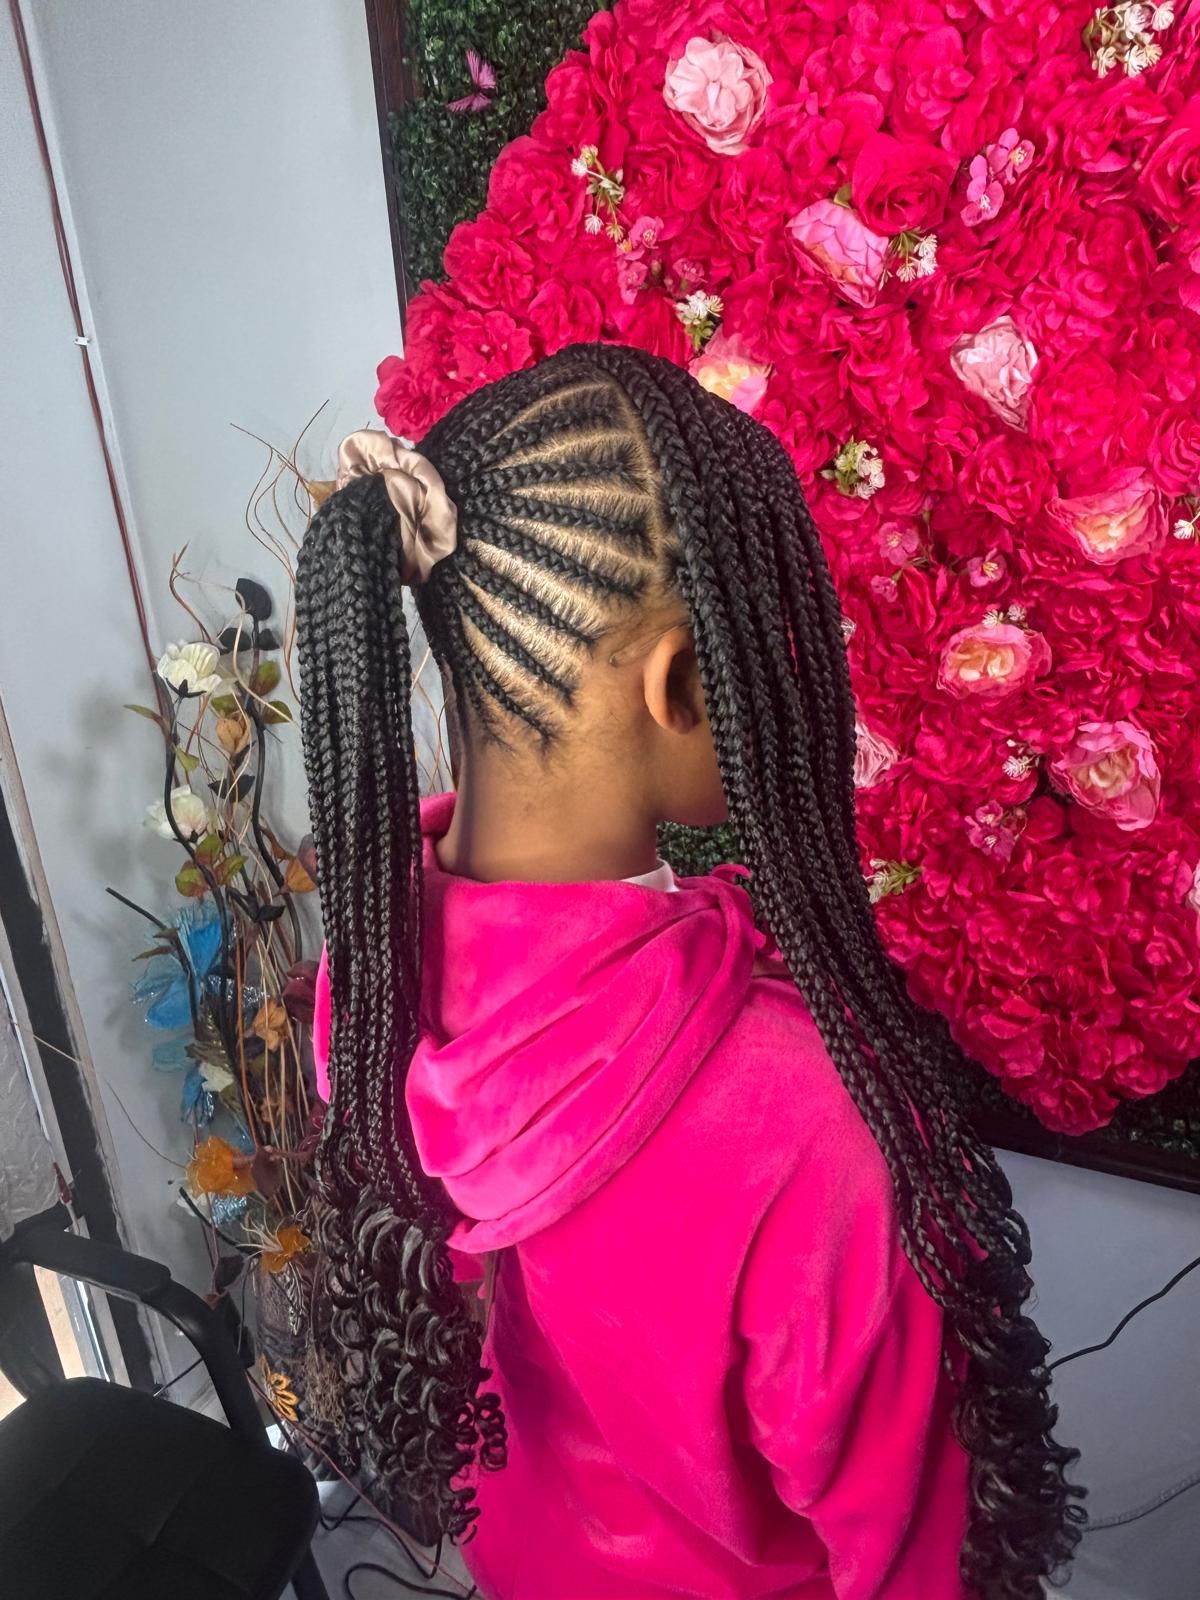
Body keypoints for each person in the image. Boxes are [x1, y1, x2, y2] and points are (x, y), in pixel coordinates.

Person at [296, 344, 1083, 1599]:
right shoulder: (804, 1127)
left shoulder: (376, 991)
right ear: (676, 683)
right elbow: (919, 1560)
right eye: (763, 627)